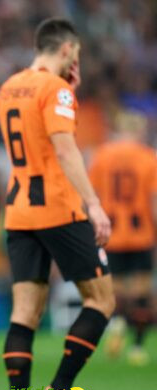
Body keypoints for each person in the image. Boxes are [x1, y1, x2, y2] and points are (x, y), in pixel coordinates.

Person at [0, 18, 115, 390]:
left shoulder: (8, 87)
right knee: (101, 300)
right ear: (66, 50)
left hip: (19, 209)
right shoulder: (56, 89)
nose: (75, 63)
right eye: (75, 56)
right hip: (58, 208)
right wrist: (94, 205)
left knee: (25, 311)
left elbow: (33, 135)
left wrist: (70, 95)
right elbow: (63, 150)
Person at [89, 111, 157, 366]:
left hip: (111, 232)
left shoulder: (102, 156)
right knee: (141, 295)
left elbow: (91, 196)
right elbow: (154, 203)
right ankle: (137, 349)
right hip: (141, 233)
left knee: (115, 292)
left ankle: (117, 323)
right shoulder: (148, 157)